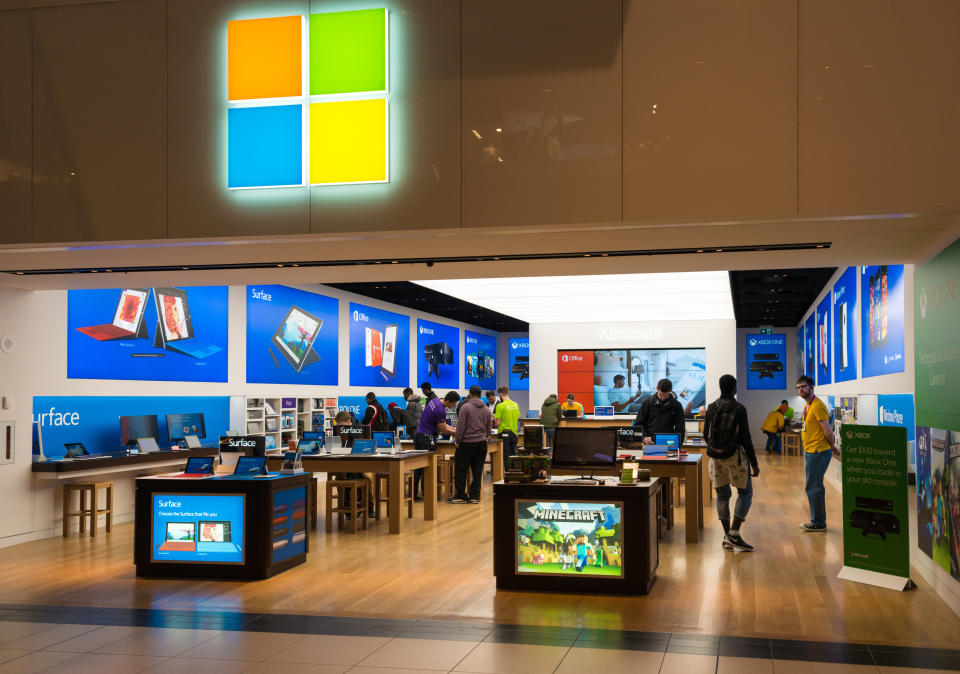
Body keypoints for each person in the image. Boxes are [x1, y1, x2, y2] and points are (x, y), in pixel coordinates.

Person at [704, 374, 759, 552]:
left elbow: (706, 434)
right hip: (734, 457)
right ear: (734, 388)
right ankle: (734, 534)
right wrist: (754, 462)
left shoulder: (712, 407)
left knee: (722, 495)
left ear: (720, 387)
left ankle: (727, 535)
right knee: (745, 492)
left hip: (715, 458)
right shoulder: (739, 408)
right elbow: (745, 438)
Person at [796, 375, 837, 532]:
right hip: (812, 451)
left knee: (813, 487)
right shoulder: (808, 405)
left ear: (812, 387)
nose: (801, 390)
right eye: (798, 387)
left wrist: (832, 445)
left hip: (818, 451)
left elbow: (827, 429)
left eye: (804, 387)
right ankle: (818, 521)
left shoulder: (818, 406)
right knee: (814, 486)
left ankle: (818, 522)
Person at [450, 386, 494, 504]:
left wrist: (458, 441)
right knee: (478, 470)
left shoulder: (465, 407)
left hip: (467, 443)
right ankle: (474, 496)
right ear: (481, 395)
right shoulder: (486, 409)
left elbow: (460, 426)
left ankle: (461, 495)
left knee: (461, 469)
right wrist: (485, 436)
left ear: (470, 394)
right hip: (481, 443)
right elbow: (489, 428)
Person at [414, 390, 460, 500]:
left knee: (418, 467)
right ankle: (428, 494)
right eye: (453, 404)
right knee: (428, 466)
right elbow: (443, 429)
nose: (453, 406)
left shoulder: (435, 401)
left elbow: (443, 425)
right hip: (427, 438)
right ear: (448, 401)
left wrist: (455, 428)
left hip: (419, 435)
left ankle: (414, 493)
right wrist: (457, 432)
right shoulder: (441, 410)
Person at [633, 378, 685, 445]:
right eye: (661, 395)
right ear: (657, 388)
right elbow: (638, 424)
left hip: (669, 442)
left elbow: (680, 428)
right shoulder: (648, 403)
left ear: (671, 390)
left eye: (666, 395)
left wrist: (678, 444)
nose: (663, 398)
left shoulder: (676, 406)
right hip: (650, 442)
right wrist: (644, 437)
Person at [494, 386, 520, 467]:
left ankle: (507, 474)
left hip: (504, 433)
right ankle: (514, 472)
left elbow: (498, 423)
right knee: (513, 454)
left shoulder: (500, 406)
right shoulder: (515, 404)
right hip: (514, 433)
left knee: (505, 456)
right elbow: (517, 418)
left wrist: (494, 420)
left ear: (501, 394)